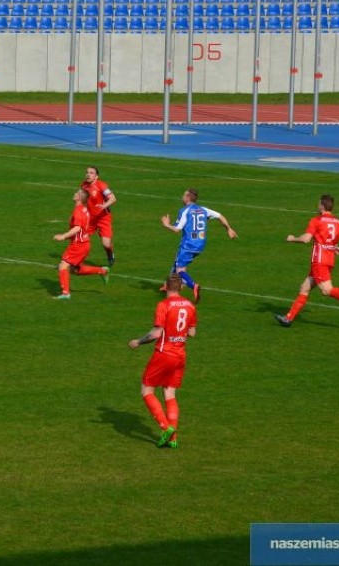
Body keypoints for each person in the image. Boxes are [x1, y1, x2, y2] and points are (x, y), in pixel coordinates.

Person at [128, 273, 197, 449]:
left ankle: (165, 427)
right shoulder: (190, 306)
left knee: (147, 390)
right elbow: (192, 333)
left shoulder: (163, 305)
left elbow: (155, 334)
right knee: (170, 394)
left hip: (164, 353)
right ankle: (173, 438)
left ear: (165, 286)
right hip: (180, 355)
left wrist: (138, 341)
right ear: (181, 287)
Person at [274, 194, 339, 327]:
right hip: (329, 260)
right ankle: (288, 319)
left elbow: (306, 239)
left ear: (322, 206)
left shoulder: (316, 220)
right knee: (304, 288)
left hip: (319, 260)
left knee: (326, 290)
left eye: (318, 204)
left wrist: (292, 238)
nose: (317, 206)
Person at [161, 188, 238, 303]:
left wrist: (166, 225)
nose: (182, 197)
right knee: (178, 261)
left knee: (180, 269)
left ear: (188, 198)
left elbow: (177, 229)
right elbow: (220, 216)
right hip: (200, 245)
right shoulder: (203, 209)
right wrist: (229, 229)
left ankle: (193, 285)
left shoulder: (184, 211)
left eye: (183, 195)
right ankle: (167, 285)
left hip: (188, 244)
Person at [53, 189, 110, 300]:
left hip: (78, 245)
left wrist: (63, 236)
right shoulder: (85, 210)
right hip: (83, 243)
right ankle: (102, 271)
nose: (74, 194)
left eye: (76, 193)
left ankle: (65, 294)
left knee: (62, 266)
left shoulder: (78, 211)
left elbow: (77, 228)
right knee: (74, 270)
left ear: (79, 198)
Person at [80, 166, 117, 266]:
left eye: (91, 173)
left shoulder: (101, 185)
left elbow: (113, 198)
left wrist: (103, 205)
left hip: (103, 217)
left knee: (106, 243)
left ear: (96, 176)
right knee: (81, 239)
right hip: (90, 219)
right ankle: (73, 261)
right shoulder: (83, 185)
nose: (88, 174)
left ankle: (110, 253)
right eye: (87, 172)